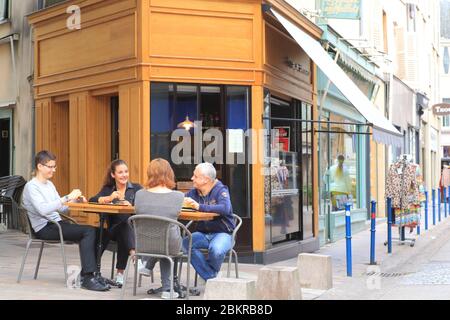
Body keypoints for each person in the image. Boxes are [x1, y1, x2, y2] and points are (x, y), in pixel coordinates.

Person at [22, 150, 108, 291]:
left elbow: (61, 209)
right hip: (45, 228)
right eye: (50, 166)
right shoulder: (32, 187)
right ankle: (88, 277)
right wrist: (67, 197)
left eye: (54, 167)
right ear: (39, 166)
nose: (53, 170)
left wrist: (74, 201)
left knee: (103, 232)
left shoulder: (49, 185)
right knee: (88, 231)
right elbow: (43, 210)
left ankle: (91, 273)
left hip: (58, 224)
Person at [134, 158, 184, 299]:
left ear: (149, 173)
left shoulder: (139, 194)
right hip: (170, 244)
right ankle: (167, 290)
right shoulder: (178, 196)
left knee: (159, 239)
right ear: (169, 173)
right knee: (166, 242)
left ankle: (148, 265)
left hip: (144, 244)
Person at [89, 159, 142, 286]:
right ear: (113, 175)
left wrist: (132, 206)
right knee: (123, 227)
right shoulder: (108, 189)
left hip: (134, 230)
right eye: (120, 172)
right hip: (113, 230)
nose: (124, 175)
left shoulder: (136, 188)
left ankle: (121, 274)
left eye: (126, 171)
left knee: (125, 227)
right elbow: (92, 200)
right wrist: (109, 198)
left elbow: (145, 207)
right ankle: (134, 258)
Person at [183, 162, 235, 283]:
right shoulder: (194, 192)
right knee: (185, 243)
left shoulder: (220, 190)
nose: (192, 179)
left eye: (195, 176)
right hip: (203, 233)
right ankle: (211, 276)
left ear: (205, 179)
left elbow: (225, 208)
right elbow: (181, 200)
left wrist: (199, 207)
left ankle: (208, 275)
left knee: (216, 250)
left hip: (224, 233)